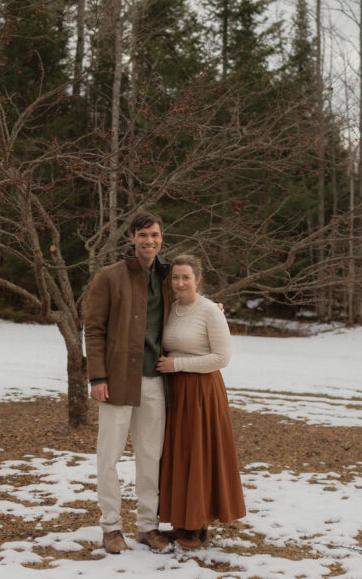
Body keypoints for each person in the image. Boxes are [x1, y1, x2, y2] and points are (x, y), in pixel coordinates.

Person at [84, 212, 173, 554]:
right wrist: (97, 376)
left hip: (155, 380)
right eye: (143, 235)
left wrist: (214, 308)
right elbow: (93, 328)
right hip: (117, 379)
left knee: (150, 455)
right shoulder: (109, 277)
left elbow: (190, 298)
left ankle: (148, 526)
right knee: (109, 456)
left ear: (161, 238)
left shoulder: (166, 276)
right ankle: (110, 527)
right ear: (132, 237)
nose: (150, 241)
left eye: (155, 234)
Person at [155, 254, 246, 550]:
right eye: (176, 277)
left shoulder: (209, 311)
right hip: (176, 391)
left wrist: (178, 364)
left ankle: (198, 525)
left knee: (200, 455)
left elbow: (222, 358)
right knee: (179, 455)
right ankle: (181, 520)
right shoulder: (169, 309)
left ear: (198, 280)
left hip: (203, 392)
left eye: (186, 278)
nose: (180, 283)